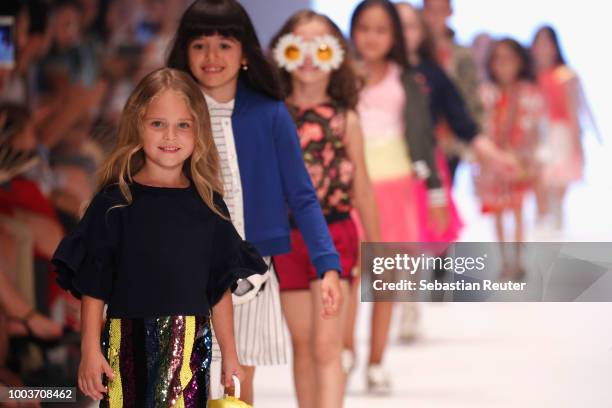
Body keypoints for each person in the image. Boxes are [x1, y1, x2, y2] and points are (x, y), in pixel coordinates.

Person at [51, 68, 267, 405]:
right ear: (137, 125)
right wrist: (89, 350)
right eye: (157, 124)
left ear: (199, 132)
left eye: (183, 125)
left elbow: (219, 287)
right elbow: (93, 285)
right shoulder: (114, 204)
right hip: (124, 346)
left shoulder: (209, 206)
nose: (170, 136)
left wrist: (232, 356)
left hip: (189, 349)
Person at [166, 1, 343, 403]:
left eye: (225, 44)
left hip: (250, 268)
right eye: (200, 45)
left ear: (245, 53)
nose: (212, 57)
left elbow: (301, 194)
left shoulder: (270, 113)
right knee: (177, 374)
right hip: (179, 261)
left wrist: (327, 265)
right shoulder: (170, 112)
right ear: (184, 51)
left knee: (237, 378)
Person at [269, 10, 380, 407]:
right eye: (302, 44)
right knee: (302, 343)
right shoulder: (274, 114)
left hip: (335, 236)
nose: (311, 56)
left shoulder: (344, 119)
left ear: (336, 53)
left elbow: (362, 187)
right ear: (284, 51)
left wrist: (378, 247)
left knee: (326, 344)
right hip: (286, 241)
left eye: (322, 45)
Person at [349, 0, 447, 393]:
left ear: (393, 37)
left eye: (381, 29)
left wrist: (436, 190)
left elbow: (423, 136)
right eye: (364, 28)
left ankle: (375, 362)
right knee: (347, 278)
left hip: (396, 187)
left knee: (386, 281)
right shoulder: (340, 77)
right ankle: (344, 354)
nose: (372, 37)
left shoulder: (406, 79)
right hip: (350, 189)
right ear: (352, 32)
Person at [477, 39, 543, 276]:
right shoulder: (486, 93)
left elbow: (535, 129)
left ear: (520, 62)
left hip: (518, 162)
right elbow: (480, 128)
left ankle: (517, 259)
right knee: (496, 211)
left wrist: (530, 158)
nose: (504, 66)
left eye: (509, 60)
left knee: (516, 210)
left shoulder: (528, 92)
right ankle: (505, 259)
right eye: (498, 60)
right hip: (493, 163)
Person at [531, 25, 593, 231]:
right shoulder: (530, 77)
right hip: (535, 136)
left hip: (559, 135)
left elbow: (574, 112)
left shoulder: (565, 75)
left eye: (547, 43)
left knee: (558, 185)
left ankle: (555, 231)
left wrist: (578, 145)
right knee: (539, 183)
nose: (543, 48)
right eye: (539, 43)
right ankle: (542, 229)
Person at [422, 0, 483, 182]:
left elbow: (470, 98)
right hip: (421, 136)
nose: (435, 17)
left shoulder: (462, 55)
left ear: (450, 12)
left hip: (452, 141)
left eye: (440, 10)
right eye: (430, 10)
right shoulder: (415, 53)